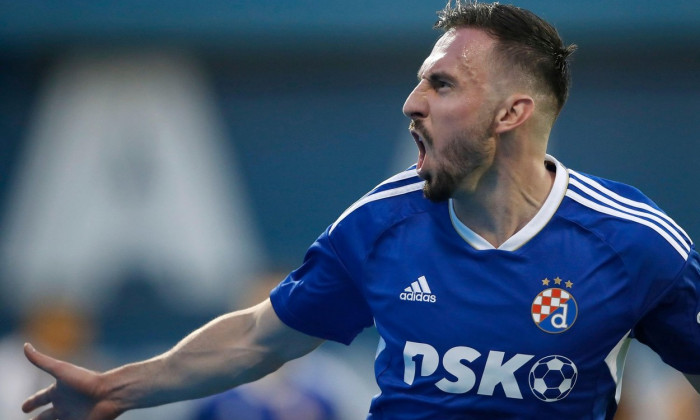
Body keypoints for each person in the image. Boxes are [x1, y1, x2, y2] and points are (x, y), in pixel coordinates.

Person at [21, 2, 700, 419]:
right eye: (416, 82)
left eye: (441, 84)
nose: (412, 102)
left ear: (511, 112)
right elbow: (261, 338)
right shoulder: (380, 224)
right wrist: (117, 389)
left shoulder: (636, 244)